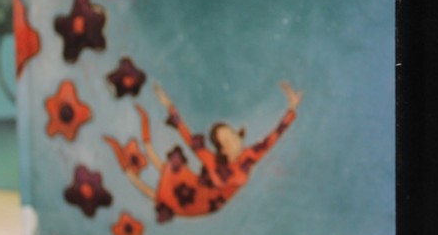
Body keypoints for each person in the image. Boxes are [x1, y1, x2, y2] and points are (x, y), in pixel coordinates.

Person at [115, 80, 302, 223]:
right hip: (194, 191)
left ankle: (132, 172)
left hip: (206, 205)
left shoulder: (250, 156)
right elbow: (187, 136)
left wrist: (292, 109)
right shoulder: (212, 160)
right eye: (226, 140)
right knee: (169, 175)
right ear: (223, 149)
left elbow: (274, 136)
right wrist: (169, 105)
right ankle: (132, 169)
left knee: (163, 195)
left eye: (232, 134)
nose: (233, 140)